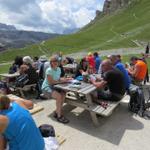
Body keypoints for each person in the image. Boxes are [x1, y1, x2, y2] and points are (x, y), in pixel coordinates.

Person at [42, 56, 72, 123]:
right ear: (51, 62)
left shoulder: (59, 69)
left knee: (64, 93)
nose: (55, 63)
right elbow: (51, 82)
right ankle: (59, 116)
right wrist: (62, 81)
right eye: (53, 61)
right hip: (46, 87)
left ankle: (57, 111)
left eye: (57, 61)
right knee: (59, 96)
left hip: (55, 86)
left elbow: (58, 79)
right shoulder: (49, 70)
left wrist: (66, 79)